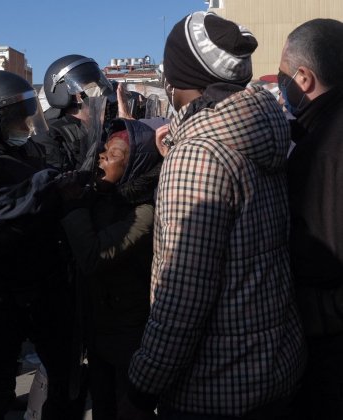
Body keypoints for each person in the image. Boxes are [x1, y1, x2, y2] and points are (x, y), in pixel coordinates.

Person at [119, 11, 305, 419]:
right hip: (275, 368)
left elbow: (183, 299)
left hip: (214, 388)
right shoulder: (260, 127)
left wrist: (140, 388)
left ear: (179, 77)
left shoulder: (200, 158)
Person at [0, 70, 85, 420]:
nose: (25, 128)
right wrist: (52, 185)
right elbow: (8, 201)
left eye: (26, 119)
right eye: (15, 121)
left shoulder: (26, 150)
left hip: (45, 278)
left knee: (64, 374)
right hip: (2, 286)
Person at [57, 118, 161, 420]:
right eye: (103, 151)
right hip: (98, 331)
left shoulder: (144, 213)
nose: (102, 157)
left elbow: (93, 256)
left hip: (129, 337)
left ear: (133, 167)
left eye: (114, 154)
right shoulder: (102, 198)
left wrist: (74, 207)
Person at [277, 18, 343, 420]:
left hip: (329, 347)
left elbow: (320, 258)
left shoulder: (323, 150)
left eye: (283, 74)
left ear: (303, 78)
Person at [37, 54, 114, 171]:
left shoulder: (108, 126)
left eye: (97, 83)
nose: (99, 88)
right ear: (65, 92)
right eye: (89, 85)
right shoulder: (49, 133)